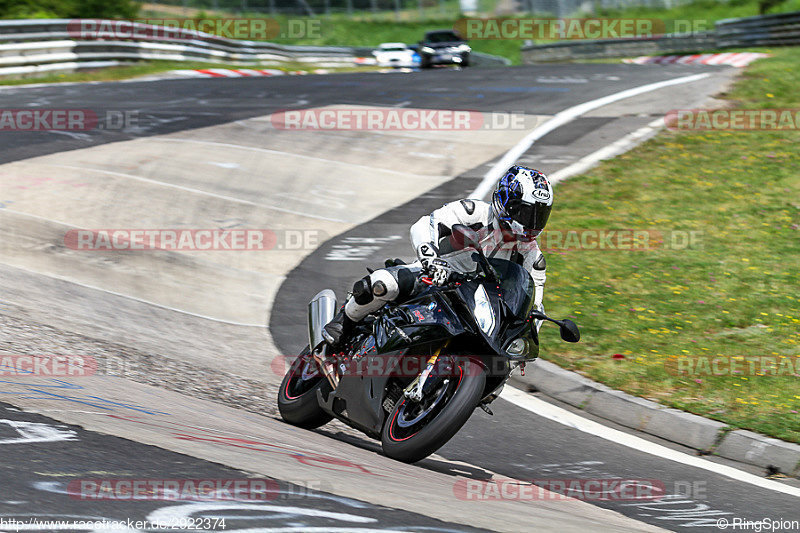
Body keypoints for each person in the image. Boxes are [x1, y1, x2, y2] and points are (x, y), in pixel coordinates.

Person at [322, 165, 553, 347]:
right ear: (507, 202)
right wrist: (430, 260)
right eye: (526, 212)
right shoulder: (475, 212)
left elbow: (536, 306)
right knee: (383, 284)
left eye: (539, 216)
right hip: (436, 277)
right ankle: (344, 322)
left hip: (476, 307)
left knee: (502, 366)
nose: (531, 223)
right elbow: (424, 226)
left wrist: (524, 334)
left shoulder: (532, 257)